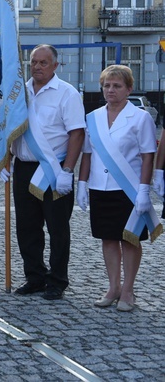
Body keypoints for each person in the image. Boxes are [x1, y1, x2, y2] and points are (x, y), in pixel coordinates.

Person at [1, 44, 85, 300]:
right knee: (27, 227)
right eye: (33, 62)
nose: (36, 67)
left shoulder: (66, 93)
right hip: (24, 168)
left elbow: (77, 133)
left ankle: (57, 280)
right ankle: (34, 277)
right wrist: (5, 161)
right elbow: (6, 127)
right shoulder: (18, 92)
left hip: (54, 169)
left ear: (55, 65)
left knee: (57, 228)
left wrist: (67, 171)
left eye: (43, 63)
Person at [77, 65, 157, 312]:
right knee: (108, 238)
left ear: (129, 89)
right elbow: (88, 154)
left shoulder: (141, 117)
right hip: (100, 187)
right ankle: (113, 287)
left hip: (129, 190)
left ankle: (128, 290)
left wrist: (144, 190)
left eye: (117, 86)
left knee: (129, 239)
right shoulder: (94, 117)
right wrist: (82, 183)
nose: (110, 90)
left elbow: (147, 155)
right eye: (106, 85)